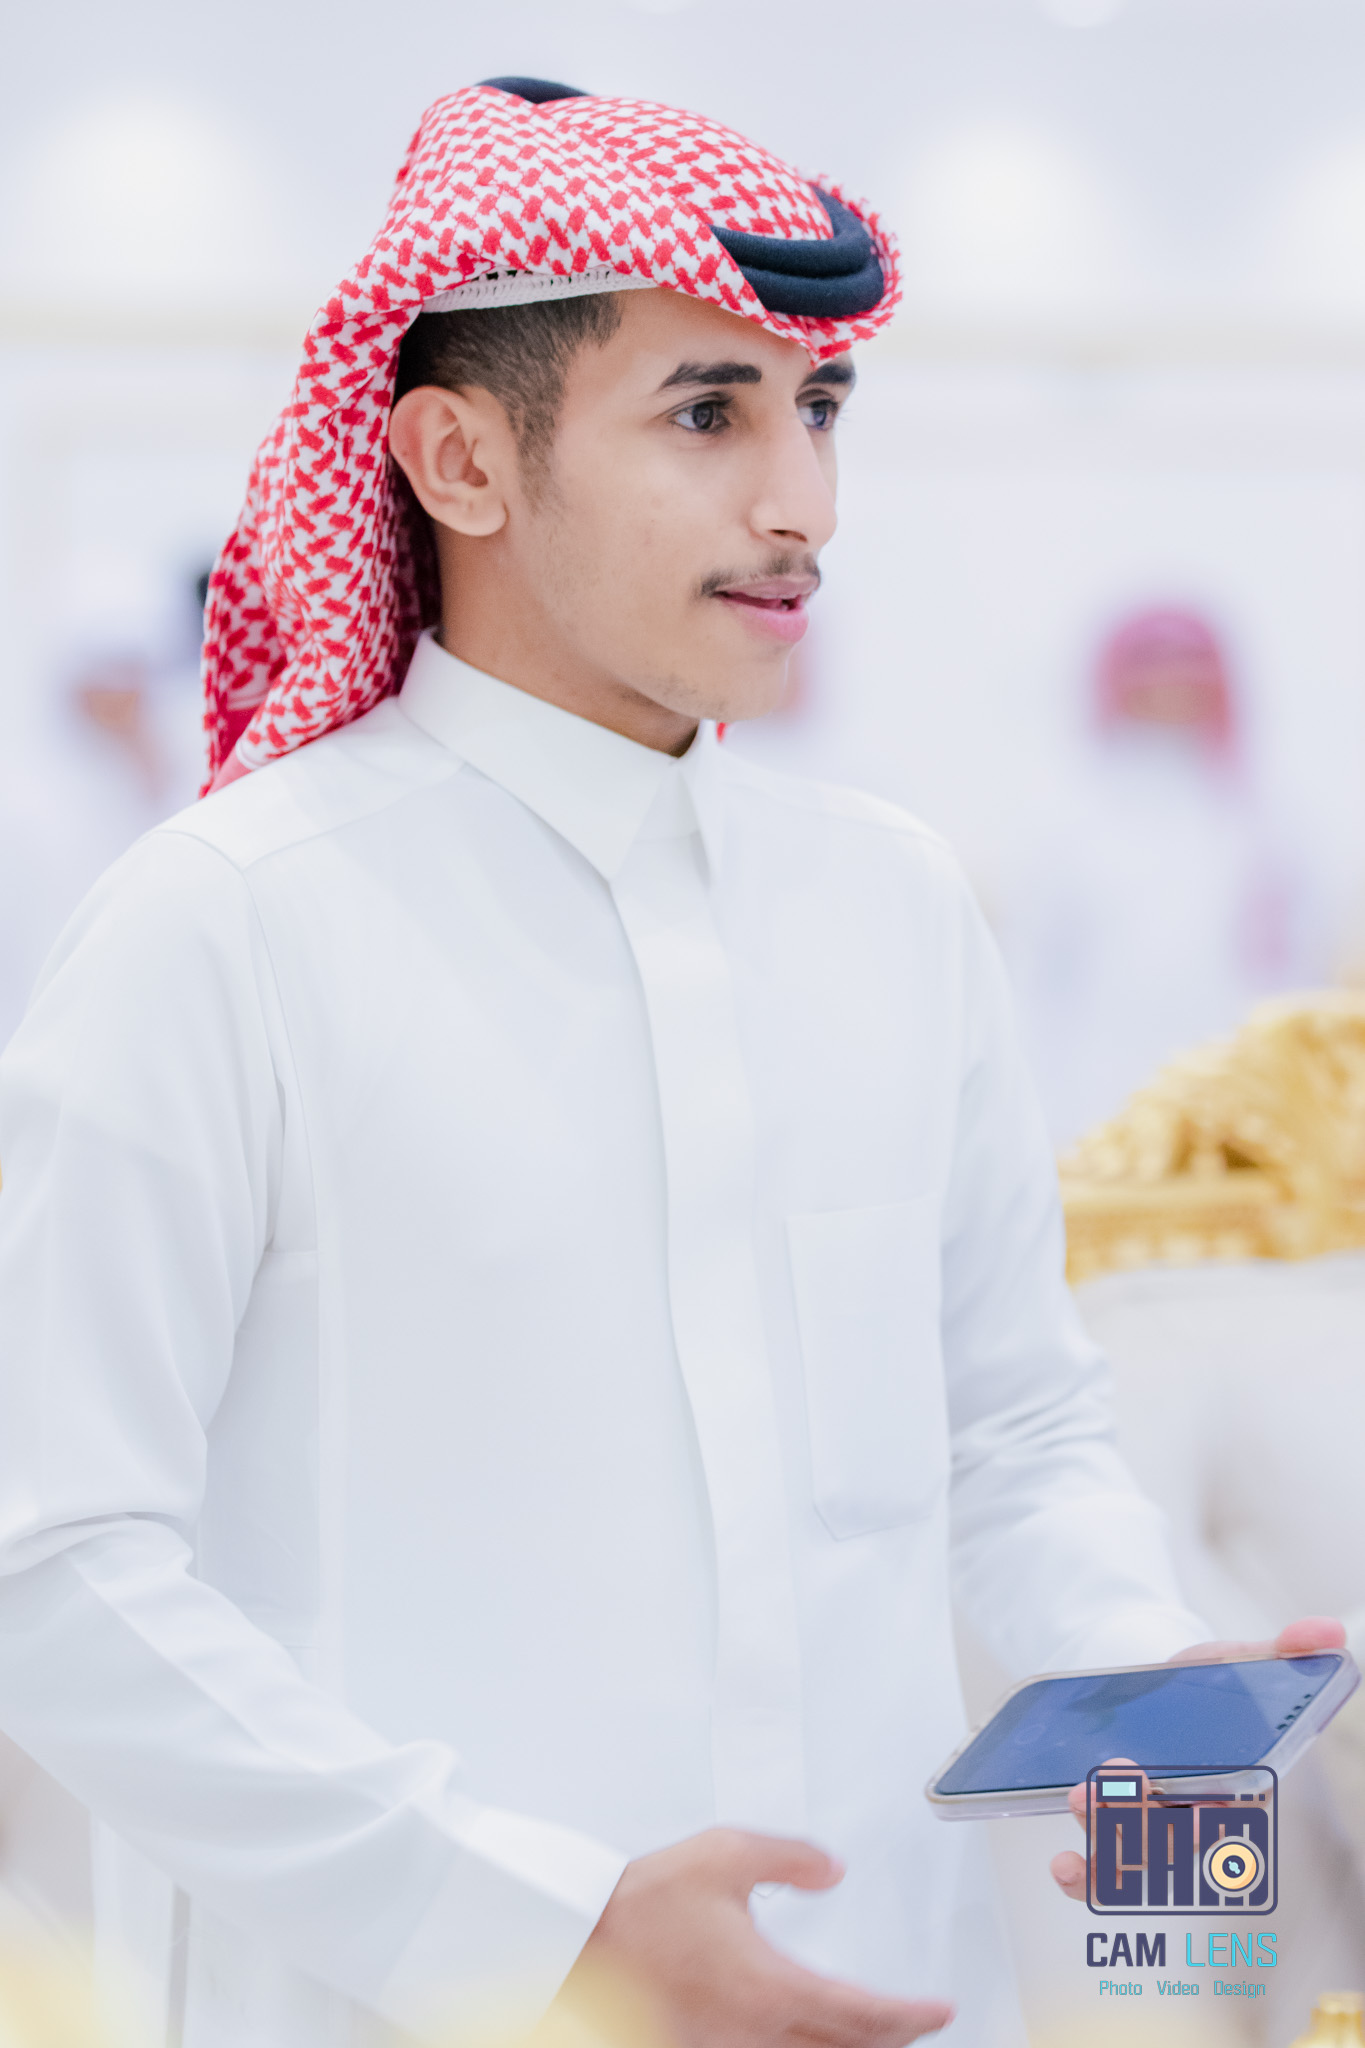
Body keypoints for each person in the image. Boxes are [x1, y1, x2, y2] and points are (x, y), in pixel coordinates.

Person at [0, 78, 1339, 2048]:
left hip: (887, 1994)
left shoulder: (894, 906)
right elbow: (54, 1567)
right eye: (708, 414)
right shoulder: (221, 931)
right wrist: (541, 1926)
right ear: (460, 458)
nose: (803, 504)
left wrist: (1146, 1692)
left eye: (820, 410)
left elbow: (1015, 1434)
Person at [1003, 605, 1329, 1147]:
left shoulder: (1266, 814)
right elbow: (1038, 976)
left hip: (1242, 1102)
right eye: (1152, 663)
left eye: (1189, 662)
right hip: (1098, 1102)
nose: (1172, 680)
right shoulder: (1069, 813)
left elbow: (1298, 966)